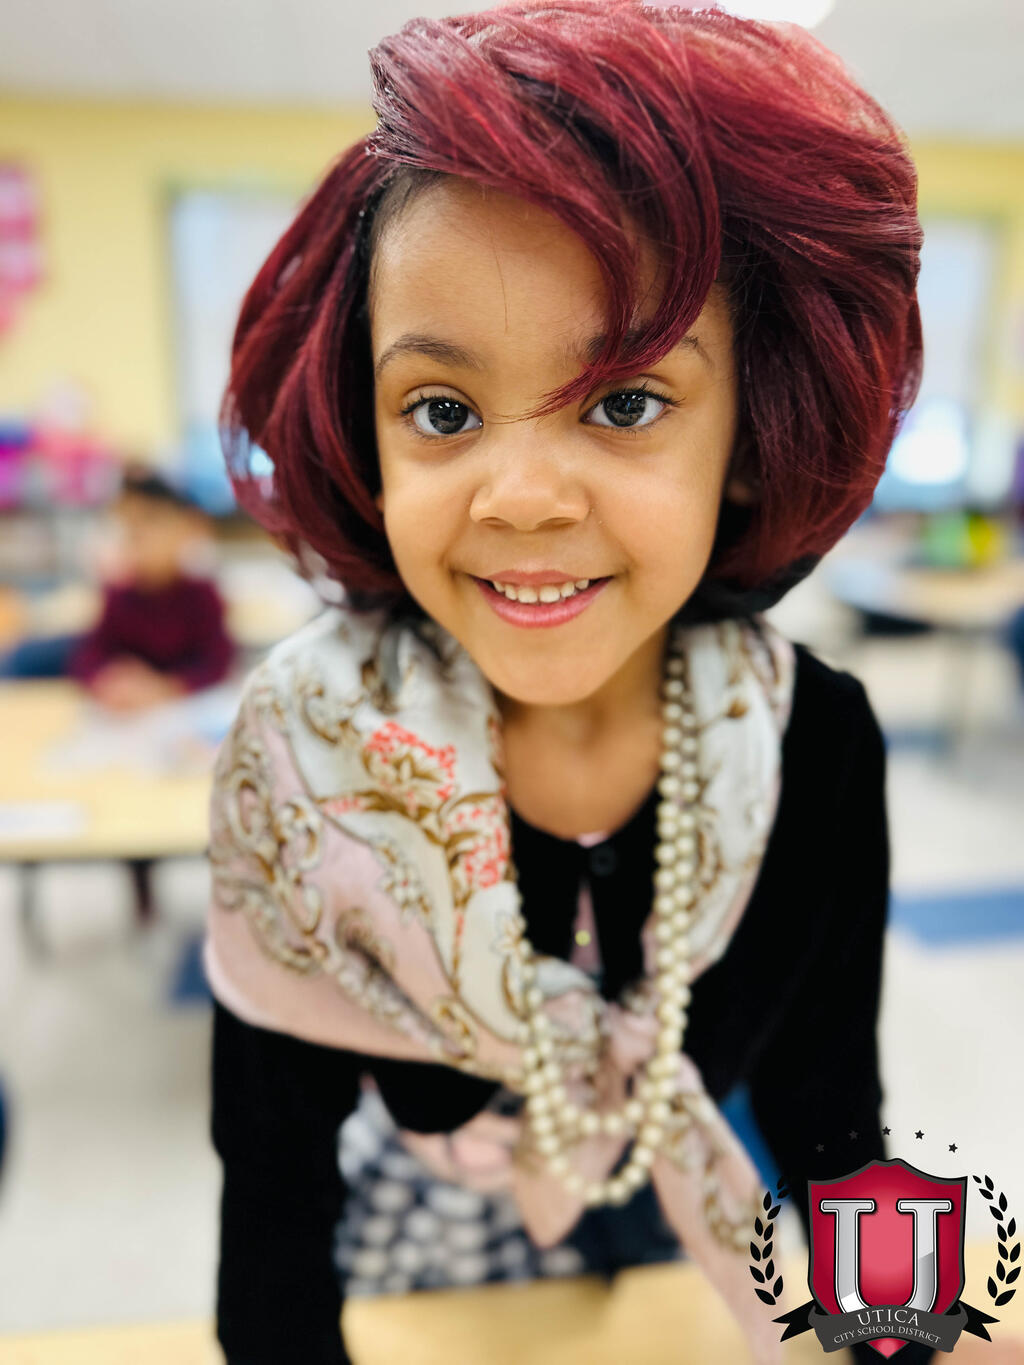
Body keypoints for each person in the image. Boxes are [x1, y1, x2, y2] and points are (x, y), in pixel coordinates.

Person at [204, 4, 1009, 1363]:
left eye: (625, 402)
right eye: (442, 412)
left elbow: (832, 1115)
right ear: (369, 438)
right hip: (420, 1257)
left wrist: (909, 1338)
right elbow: (272, 1180)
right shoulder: (302, 755)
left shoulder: (811, 739)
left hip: (692, 1222)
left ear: (751, 435)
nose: (520, 498)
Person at [64, 464, 237, 710]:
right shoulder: (118, 596)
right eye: (130, 525)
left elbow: (217, 664)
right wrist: (109, 680)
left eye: (151, 521)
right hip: (128, 717)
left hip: (182, 713)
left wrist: (166, 687)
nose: (139, 534)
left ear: (186, 528)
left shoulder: (202, 596)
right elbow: (88, 657)